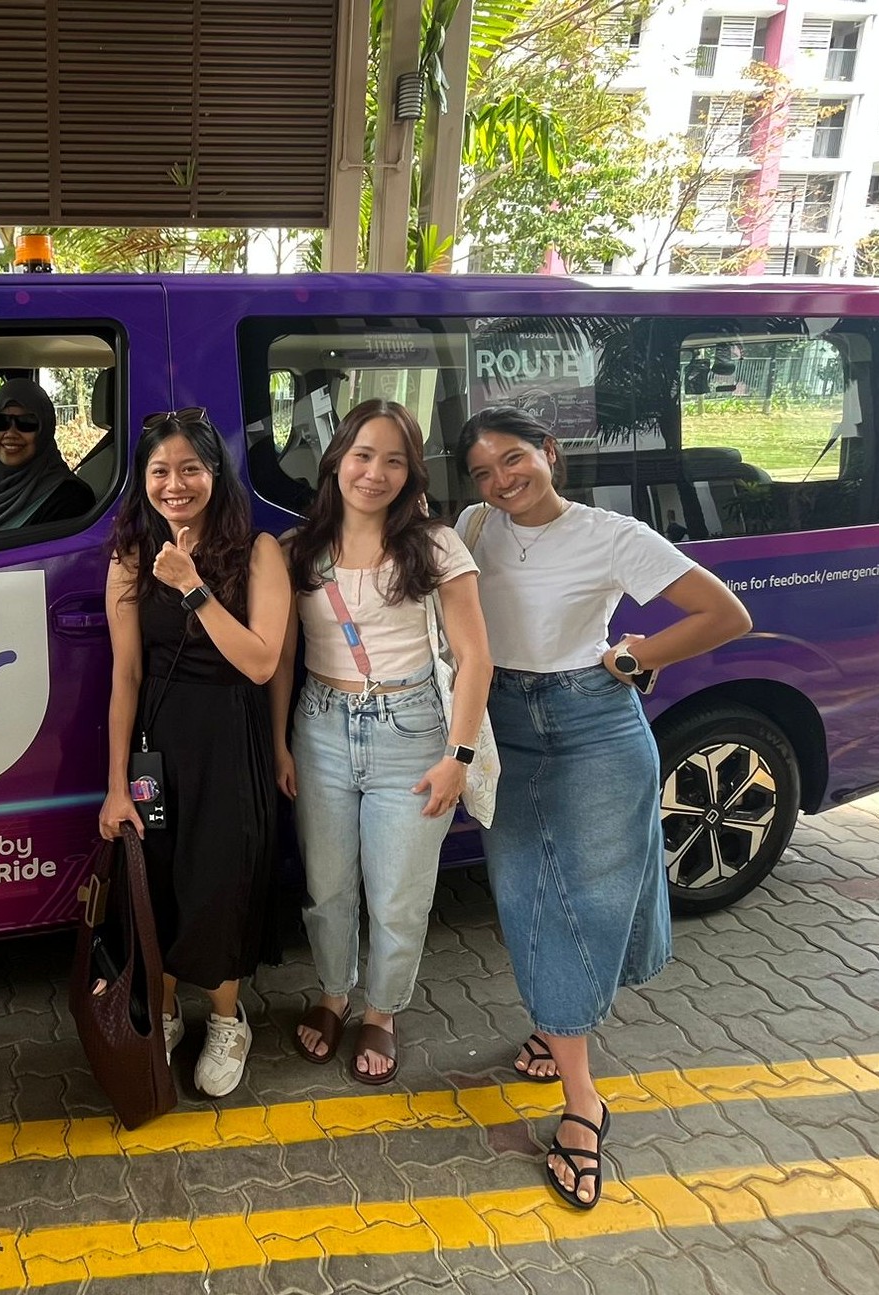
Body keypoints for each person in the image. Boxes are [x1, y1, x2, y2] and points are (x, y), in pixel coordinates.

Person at [457, 405, 751, 1211]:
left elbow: (725, 613)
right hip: (503, 724)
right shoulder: (473, 523)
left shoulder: (611, 533)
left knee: (583, 901)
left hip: (592, 724)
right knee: (524, 896)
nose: (502, 480)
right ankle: (562, 1016)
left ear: (550, 452)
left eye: (514, 459)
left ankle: (583, 1103)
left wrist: (636, 654)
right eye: (484, 470)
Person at [270, 400, 492, 1086]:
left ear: (412, 471)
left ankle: (382, 1010)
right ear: (336, 459)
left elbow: (476, 656)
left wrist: (458, 757)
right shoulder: (297, 547)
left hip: (413, 731)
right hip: (320, 727)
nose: (376, 472)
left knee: (398, 895)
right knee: (326, 887)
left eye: (395, 459)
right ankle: (334, 993)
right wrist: (280, 743)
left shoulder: (435, 545)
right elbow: (282, 656)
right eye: (364, 455)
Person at [98, 408, 292, 1099]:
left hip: (228, 734)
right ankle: (169, 1007)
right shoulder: (128, 552)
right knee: (159, 879)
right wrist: (116, 782)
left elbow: (263, 661)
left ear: (215, 473)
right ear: (142, 480)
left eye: (189, 468)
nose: (174, 484)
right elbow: (125, 675)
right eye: (159, 471)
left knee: (223, 879)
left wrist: (194, 586)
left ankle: (226, 1017)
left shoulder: (257, 551)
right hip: (158, 738)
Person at [0, 378, 97, 538]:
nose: (11, 434)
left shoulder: (69, 499)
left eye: (26, 423)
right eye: (0, 422)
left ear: (44, 432)